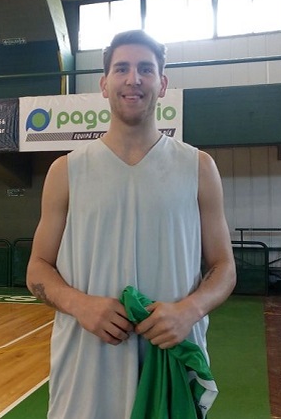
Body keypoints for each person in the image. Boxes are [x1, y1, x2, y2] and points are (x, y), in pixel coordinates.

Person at [26, 29, 236, 419]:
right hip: (85, 373)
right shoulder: (65, 171)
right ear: (104, 84)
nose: (133, 79)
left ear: (163, 83)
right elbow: (37, 268)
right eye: (121, 69)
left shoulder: (199, 167)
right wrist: (80, 304)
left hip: (171, 368)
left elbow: (224, 267)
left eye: (145, 69)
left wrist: (188, 310)